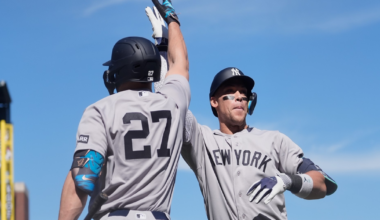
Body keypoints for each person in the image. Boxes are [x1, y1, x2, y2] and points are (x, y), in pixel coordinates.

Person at [146, 12, 337, 220]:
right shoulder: (201, 142)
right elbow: (171, 102)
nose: (239, 96)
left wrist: (286, 181)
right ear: (214, 101)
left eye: (243, 92)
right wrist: (164, 47)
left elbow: (323, 183)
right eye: (230, 91)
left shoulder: (274, 140)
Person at [58, 1, 190, 220]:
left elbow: (83, 177)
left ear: (120, 71)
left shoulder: (101, 109)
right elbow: (180, 64)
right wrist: (172, 18)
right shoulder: (173, 103)